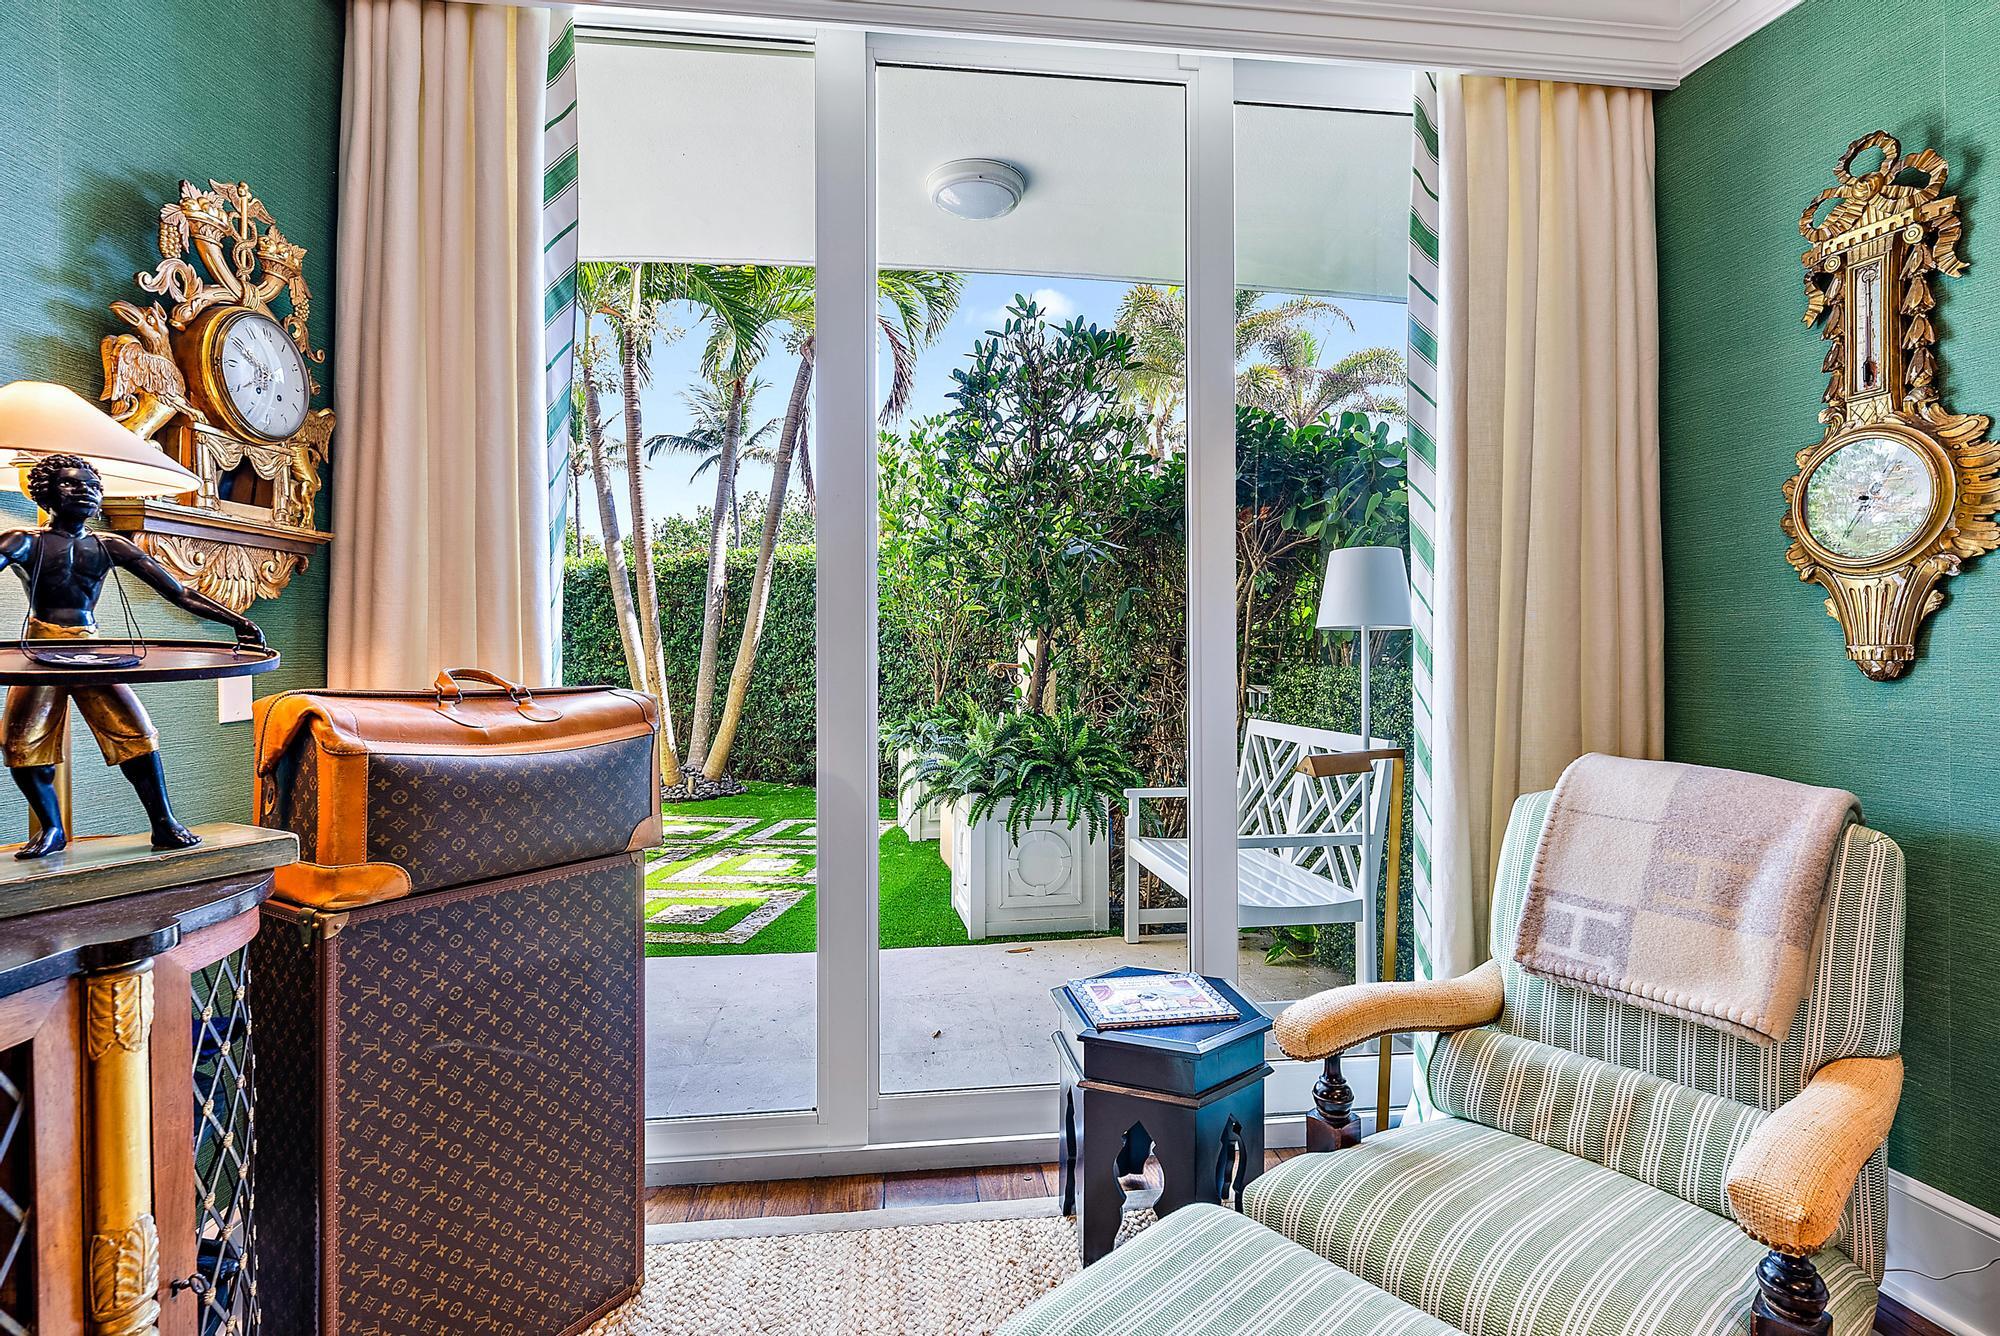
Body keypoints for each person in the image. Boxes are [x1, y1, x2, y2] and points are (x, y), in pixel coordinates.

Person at [0, 453, 264, 858]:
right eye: (72, 485)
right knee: (22, 743)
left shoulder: (111, 545)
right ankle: (51, 828)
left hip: (92, 649)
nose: (85, 493)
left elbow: (180, 592)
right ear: (45, 493)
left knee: (137, 735)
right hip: (40, 650)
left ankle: (164, 823)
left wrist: (235, 622)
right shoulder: (24, 541)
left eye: (92, 486)